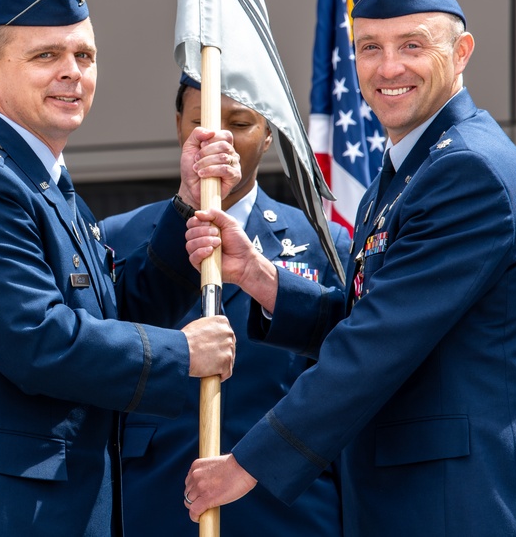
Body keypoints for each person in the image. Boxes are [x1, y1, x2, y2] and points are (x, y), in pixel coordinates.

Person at [181, 0, 516, 536]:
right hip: (412, 502)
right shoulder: (408, 172)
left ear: (461, 53)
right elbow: (373, 314)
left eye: (412, 45)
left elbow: (379, 342)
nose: (389, 68)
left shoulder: (469, 173)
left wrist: (248, 462)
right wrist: (261, 277)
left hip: (462, 505)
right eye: (370, 48)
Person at [0, 0, 240, 537]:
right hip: (1, 517)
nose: (72, 72)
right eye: (45, 56)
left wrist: (186, 204)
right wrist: (180, 354)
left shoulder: (44, 183)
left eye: (84, 55)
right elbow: (39, 340)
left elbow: (115, 311)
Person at [100, 73, 349, 536]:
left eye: (240, 122)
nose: (221, 139)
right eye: (203, 121)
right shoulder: (120, 237)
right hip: (154, 502)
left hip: (287, 507)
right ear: (180, 126)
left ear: (270, 131)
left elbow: (348, 371)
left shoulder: (324, 243)